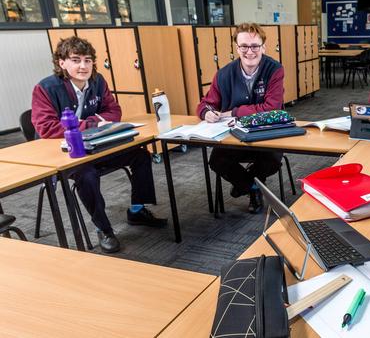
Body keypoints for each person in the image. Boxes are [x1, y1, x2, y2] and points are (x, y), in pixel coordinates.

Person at [32, 36, 166, 253]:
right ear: (61, 62)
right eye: (75, 60)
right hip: (66, 156)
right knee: (86, 175)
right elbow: (47, 128)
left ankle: (137, 210)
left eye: (87, 60)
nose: (83, 66)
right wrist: (91, 123)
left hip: (97, 146)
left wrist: (93, 124)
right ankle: (104, 229)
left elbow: (114, 112)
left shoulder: (98, 81)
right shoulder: (45, 88)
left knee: (140, 155)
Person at [196, 22, 285, 213]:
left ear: (263, 47)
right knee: (217, 160)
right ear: (237, 48)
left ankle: (246, 186)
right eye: (244, 46)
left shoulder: (274, 70)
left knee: (272, 160)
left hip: (268, 135)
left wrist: (233, 112)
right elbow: (205, 104)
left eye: (255, 46)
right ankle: (252, 187)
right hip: (235, 137)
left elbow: (271, 108)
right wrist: (207, 112)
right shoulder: (224, 74)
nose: (249, 51)